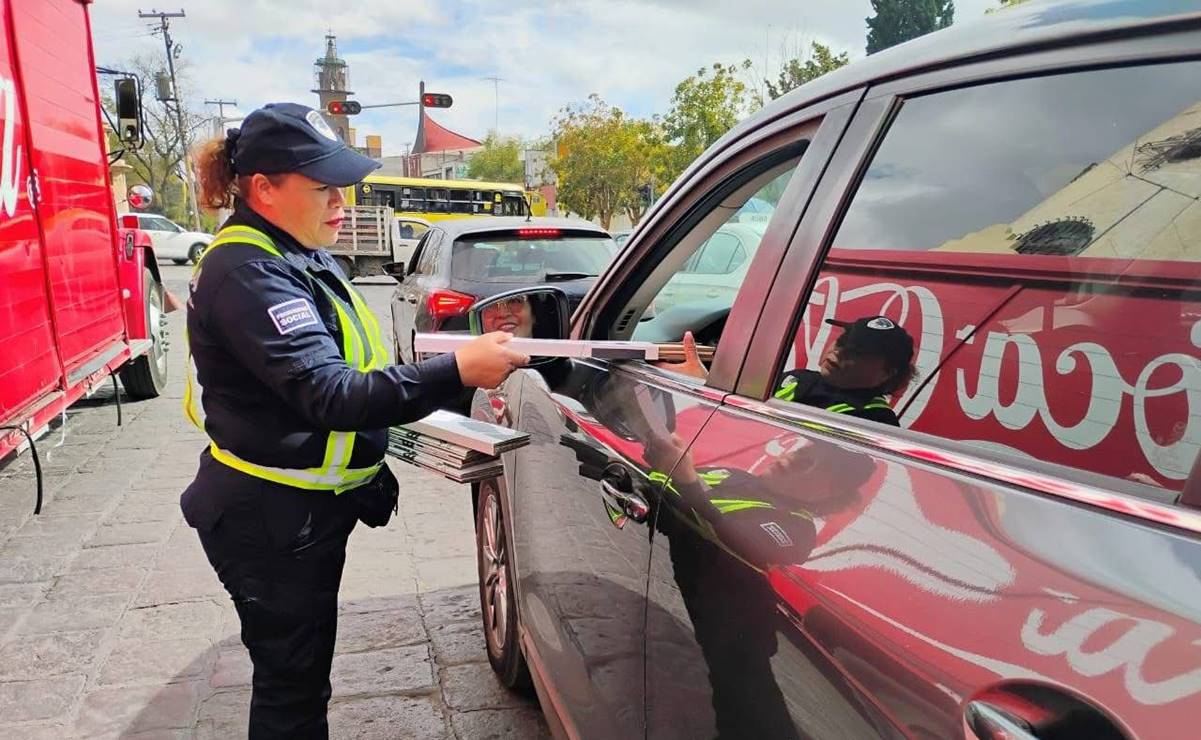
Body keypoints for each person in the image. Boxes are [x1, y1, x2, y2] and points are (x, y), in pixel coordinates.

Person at [180, 102, 529, 739]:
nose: (344, 201)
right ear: (264, 189)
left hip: (297, 510)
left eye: (345, 185)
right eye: (324, 187)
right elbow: (329, 392)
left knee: (301, 676)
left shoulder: (292, 253)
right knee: (292, 692)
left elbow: (347, 369)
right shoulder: (249, 271)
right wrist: (458, 372)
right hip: (270, 522)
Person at [661, 315, 916, 426]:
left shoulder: (876, 421)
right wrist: (705, 384)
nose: (840, 351)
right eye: (843, 340)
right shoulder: (799, 378)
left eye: (858, 352)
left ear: (887, 373)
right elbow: (736, 414)